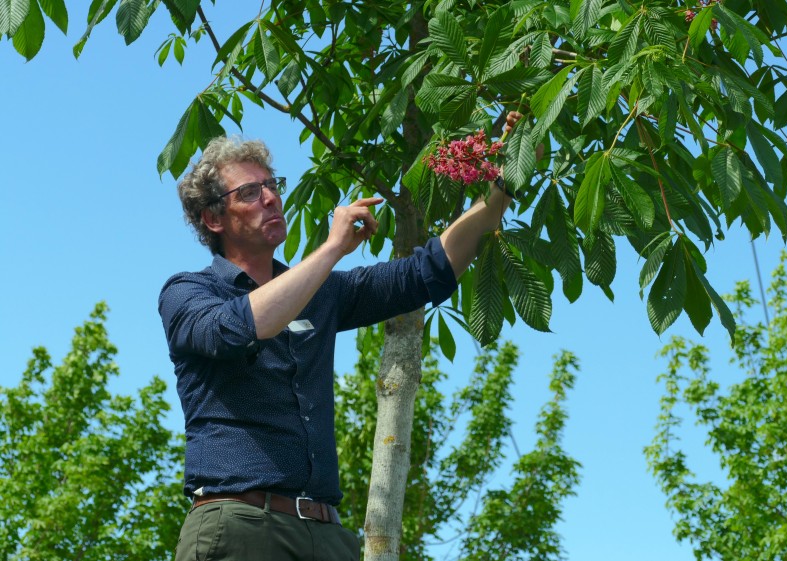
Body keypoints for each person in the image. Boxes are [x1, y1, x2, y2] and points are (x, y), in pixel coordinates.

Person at [158, 114, 523, 561]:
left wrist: (505, 179)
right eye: (250, 192)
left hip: (326, 535)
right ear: (213, 218)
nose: (271, 198)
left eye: (272, 185)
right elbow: (240, 328)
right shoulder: (188, 293)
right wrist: (332, 249)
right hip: (239, 525)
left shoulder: (322, 293)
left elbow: (427, 272)